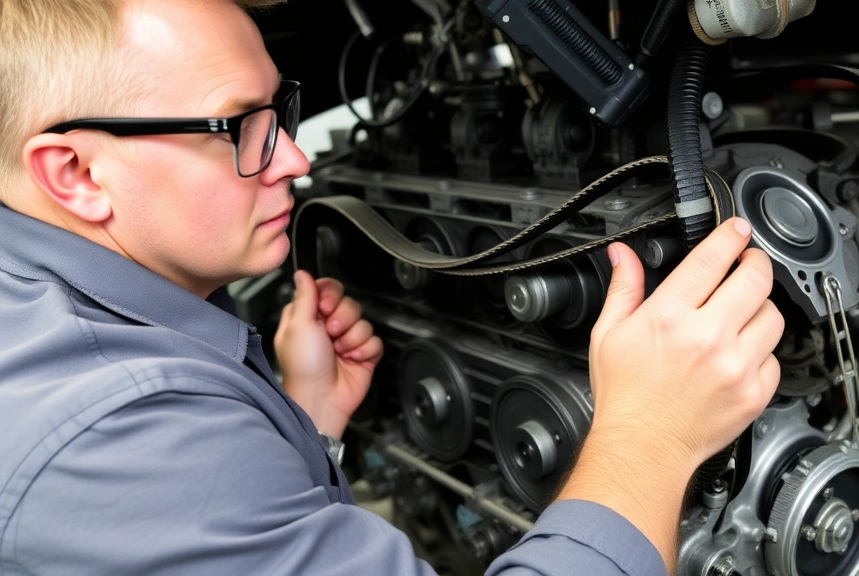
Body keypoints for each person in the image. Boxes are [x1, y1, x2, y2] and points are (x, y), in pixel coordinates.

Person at [0, 0, 784, 574]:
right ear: (74, 173)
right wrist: (650, 437)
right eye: (237, 126)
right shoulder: (119, 434)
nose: (294, 160)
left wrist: (304, 427)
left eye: (281, 111)